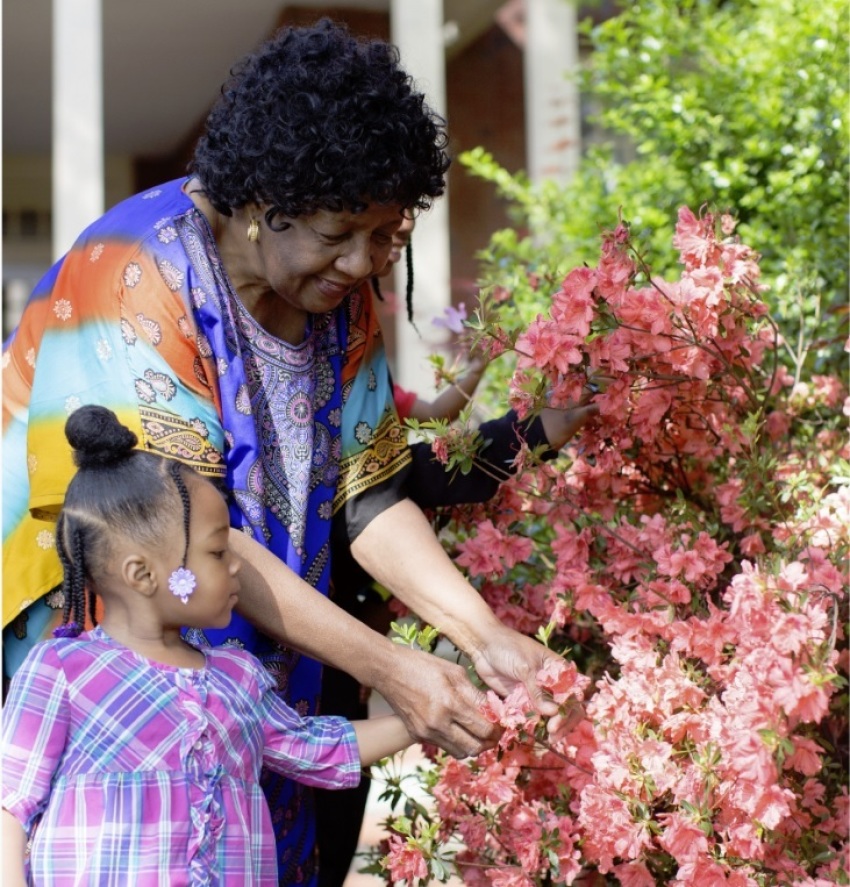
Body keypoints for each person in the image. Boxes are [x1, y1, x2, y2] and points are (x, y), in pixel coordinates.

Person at [2, 19, 568, 884]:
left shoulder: (337, 295)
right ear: (266, 210)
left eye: (386, 236)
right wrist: (393, 668)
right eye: (342, 232)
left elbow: (370, 495)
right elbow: (181, 535)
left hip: (245, 667)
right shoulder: (131, 274)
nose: (363, 263)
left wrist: (482, 637)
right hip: (115, 682)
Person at [1, 406, 415, 887]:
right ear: (143, 573)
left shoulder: (237, 676)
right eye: (218, 552)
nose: (237, 567)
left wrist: (423, 721)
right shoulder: (63, 670)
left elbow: (316, 747)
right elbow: (11, 800)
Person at [315, 214, 599, 886]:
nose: (366, 265)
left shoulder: (370, 411)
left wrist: (487, 361)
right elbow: (440, 459)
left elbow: (442, 431)